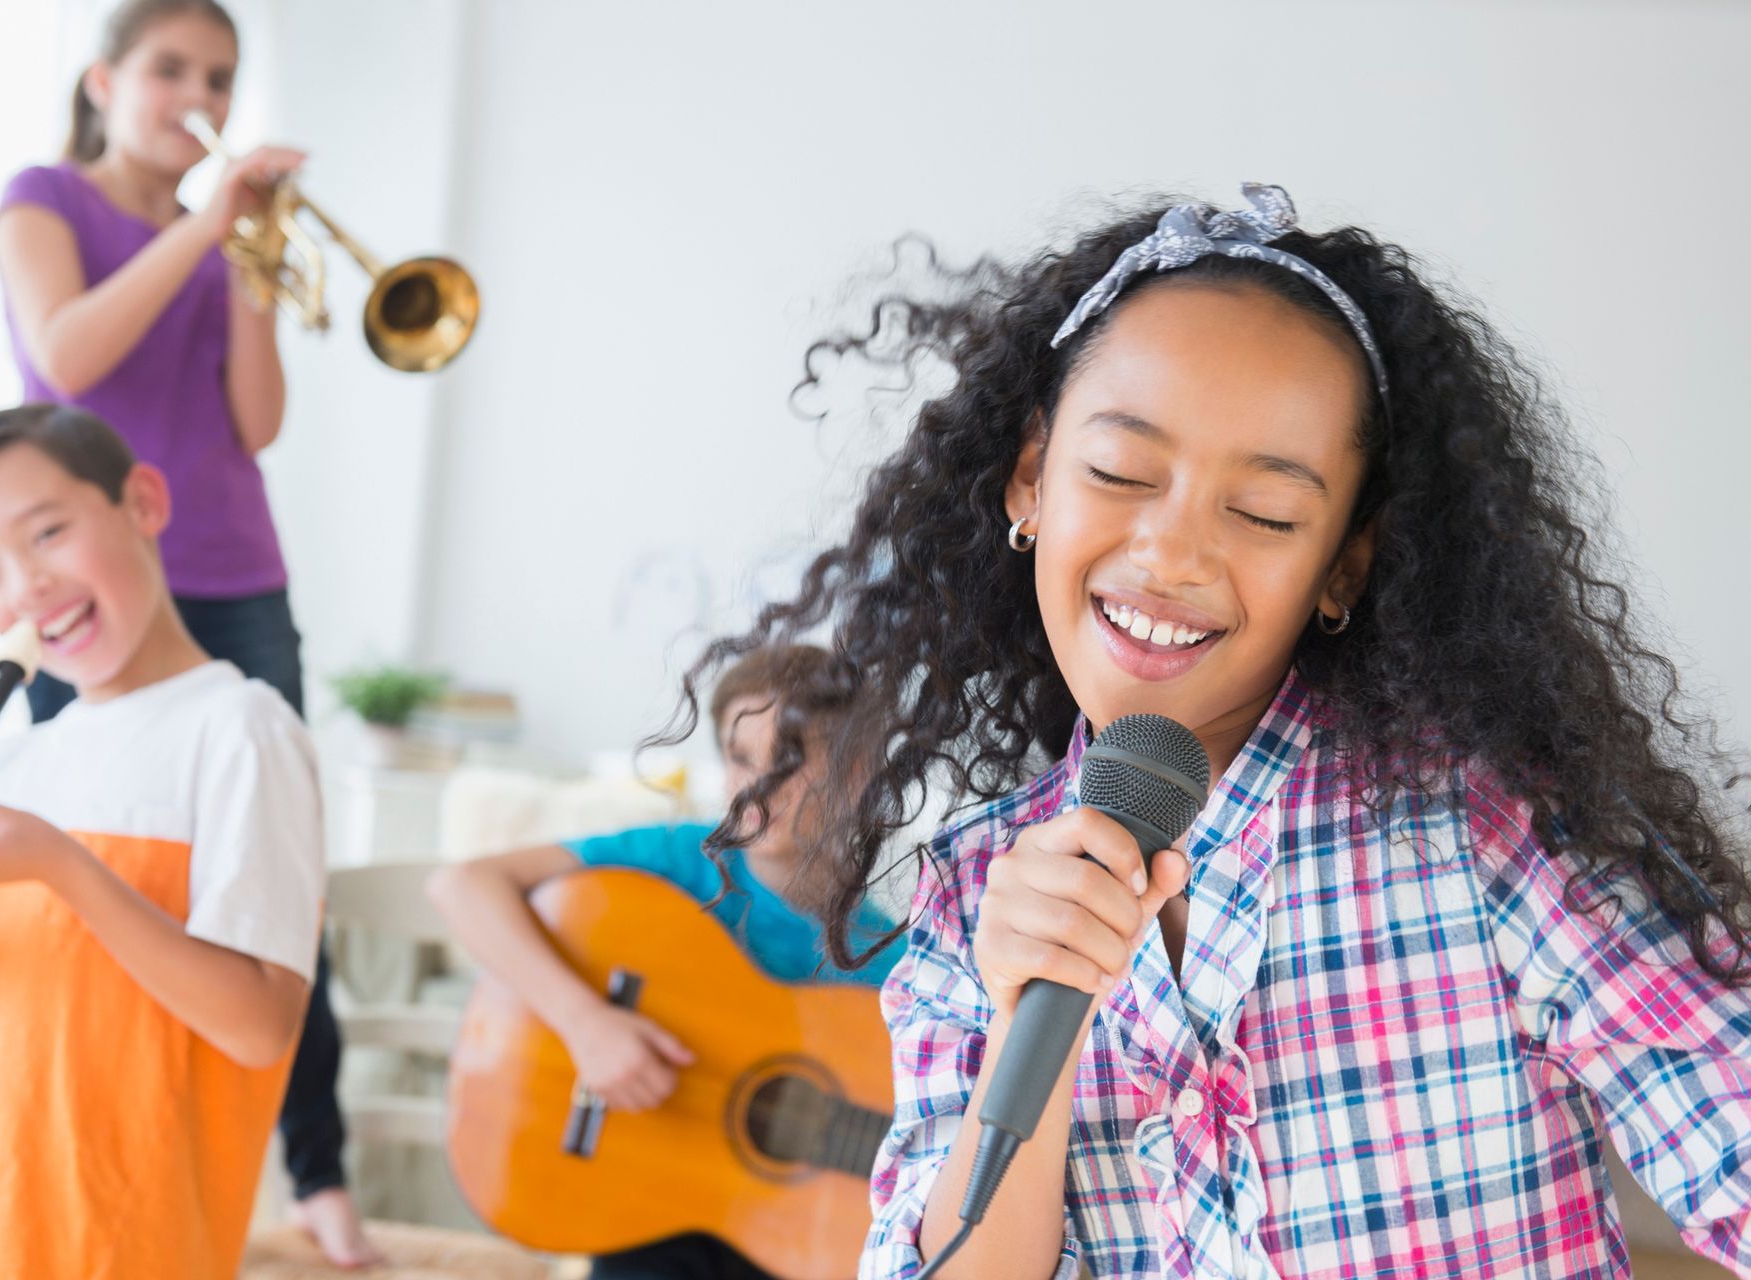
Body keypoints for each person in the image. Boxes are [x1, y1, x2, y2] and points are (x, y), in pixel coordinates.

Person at [678, 185, 1751, 1278]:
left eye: (1268, 513)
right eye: (1120, 472)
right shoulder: (972, 891)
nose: (1175, 551)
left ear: (1344, 562)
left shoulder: (1491, 834)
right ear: (1029, 480)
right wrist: (1019, 1022)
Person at [0, 0, 373, 1262]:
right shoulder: (42, 195)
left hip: (232, 568)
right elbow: (68, 357)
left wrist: (248, 264)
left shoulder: (222, 239)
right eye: (169, 68)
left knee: (277, 896)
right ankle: (89, 1146)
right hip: (88, 581)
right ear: (105, 80)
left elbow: (253, 422)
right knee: (103, 868)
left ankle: (319, 1175)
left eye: (217, 74)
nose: (192, 92)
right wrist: (209, 224)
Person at [0, 405, 323, 1278]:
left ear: (142, 502)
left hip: (97, 1245)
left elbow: (258, 1027)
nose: (23, 587)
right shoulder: (10, 765)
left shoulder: (239, 728)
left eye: (49, 532)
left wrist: (61, 866)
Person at [427, 644, 905, 1280]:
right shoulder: (679, 861)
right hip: (646, 1212)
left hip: (788, 1243)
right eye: (739, 759)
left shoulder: (891, 962)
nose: (755, 787)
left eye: (787, 763)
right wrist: (587, 1025)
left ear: (858, 773)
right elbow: (461, 887)